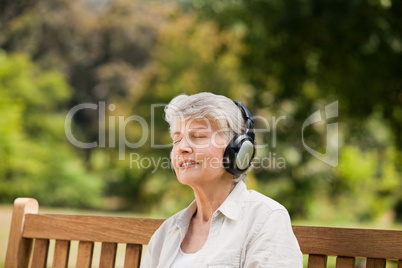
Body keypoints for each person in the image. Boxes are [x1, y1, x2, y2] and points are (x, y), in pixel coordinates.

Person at [141, 92, 303, 268]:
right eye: (176, 139)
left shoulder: (266, 219)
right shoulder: (167, 231)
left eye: (198, 136)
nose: (182, 148)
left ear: (238, 150)